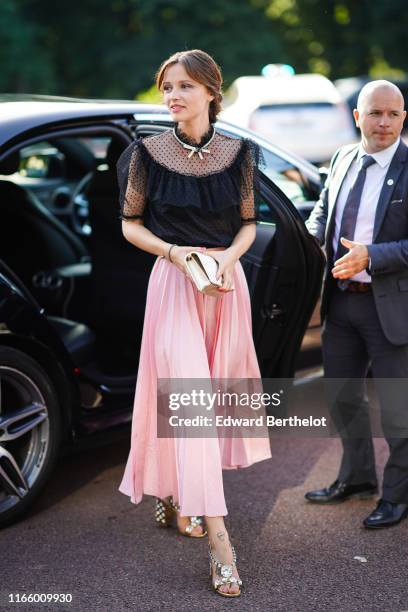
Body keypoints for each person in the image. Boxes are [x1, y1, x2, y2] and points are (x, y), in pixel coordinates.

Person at [116, 49, 272, 596]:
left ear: (211, 92)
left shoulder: (241, 153)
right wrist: (178, 255)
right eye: (166, 87)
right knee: (191, 403)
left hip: (225, 286)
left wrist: (224, 263)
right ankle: (221, 543)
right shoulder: (145, 154)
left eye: (184, 86)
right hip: (174, 282)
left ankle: (172, 492)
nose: (173, 96)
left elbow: (250, 226)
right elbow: (130, 225)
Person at [305, 80, 408, 529]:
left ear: (403, 118)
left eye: (393, 114)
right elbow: (323, 211)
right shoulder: (342, 157)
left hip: (392, 307)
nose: (383, 123)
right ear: (357, 117)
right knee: (343, 397)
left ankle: (398, 496)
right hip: (342, 302)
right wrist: (308, 241)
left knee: (398, 408)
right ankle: (357, 478)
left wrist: (373, 256)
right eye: (375, 113)